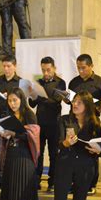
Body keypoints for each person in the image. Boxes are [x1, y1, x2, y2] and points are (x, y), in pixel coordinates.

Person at [51, 91, 101, 200]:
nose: (75, 105)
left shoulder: (95, 123)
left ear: (87, 105)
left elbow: (99, 144)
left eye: (79, 102)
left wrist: (97, 150)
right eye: (74, 102)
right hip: (65, 163)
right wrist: (65, 143)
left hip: (85, 165)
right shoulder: (64, 120)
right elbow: (57, 144)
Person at [0, 88, 39, 200]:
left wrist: (14, 133)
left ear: (21, 99)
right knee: (10, 193)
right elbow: (4, 135)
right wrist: (3, 133)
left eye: (15, 100)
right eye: (9, 100)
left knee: (23, 193)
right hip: (11, 156)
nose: (12, 103)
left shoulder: (29, 115)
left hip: (25, 157)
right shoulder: (7, 116)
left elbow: (33, 135)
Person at [68, 54, 101, 195]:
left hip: (92, 121)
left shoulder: (100, 82)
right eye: (78, 68)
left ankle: (91, 183)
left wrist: (98, 106)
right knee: (75, 150)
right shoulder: (74, 82)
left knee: (91, 151)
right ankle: (74, 181)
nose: (80, 71)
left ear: (91, 66)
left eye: (83, 68)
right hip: (76, 121)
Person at [29, 56, 66, 192]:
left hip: (55, 124)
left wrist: (40, 97)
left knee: (54, 154)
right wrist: (32, 95)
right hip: (39, 122)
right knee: (38, 153)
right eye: (43, 70)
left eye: (48, 70)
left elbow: (56, 101)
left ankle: (53, 181)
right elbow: (31, 103)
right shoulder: (38, 82)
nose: (45, 73)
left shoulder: (60, 83)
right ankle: (36, 180)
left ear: (54, 68)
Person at [0, 55, 21, 189]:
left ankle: (10, 177)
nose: (6, 69)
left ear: (15, 66)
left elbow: (22, 100)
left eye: (9, 66)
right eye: (4, 66)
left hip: (12, 117)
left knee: (10, 148)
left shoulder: (19, 82)